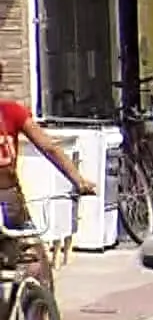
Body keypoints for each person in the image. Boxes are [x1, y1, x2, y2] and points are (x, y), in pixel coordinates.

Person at [0, 66, 97, 286]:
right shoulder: (11, 112)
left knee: (32, 263)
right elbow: (49, 147)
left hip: (10, 204)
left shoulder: (12, 113)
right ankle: (38, 309)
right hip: (9, 202)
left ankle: (35, 310)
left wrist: (78, 180)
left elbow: (49, 147)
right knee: (36, 266)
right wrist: (77, 180)